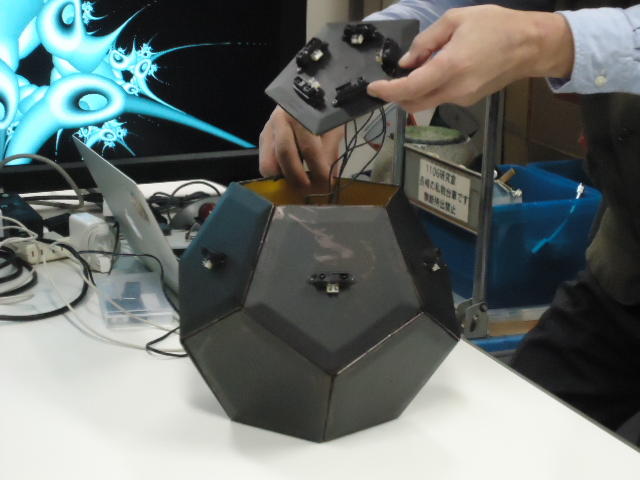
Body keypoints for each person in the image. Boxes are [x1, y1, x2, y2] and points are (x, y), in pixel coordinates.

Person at [258, 0, 640, 444]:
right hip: (623, 277)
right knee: (511, 439)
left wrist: (544, 39)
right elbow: (443, 11)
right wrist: (323, 81)